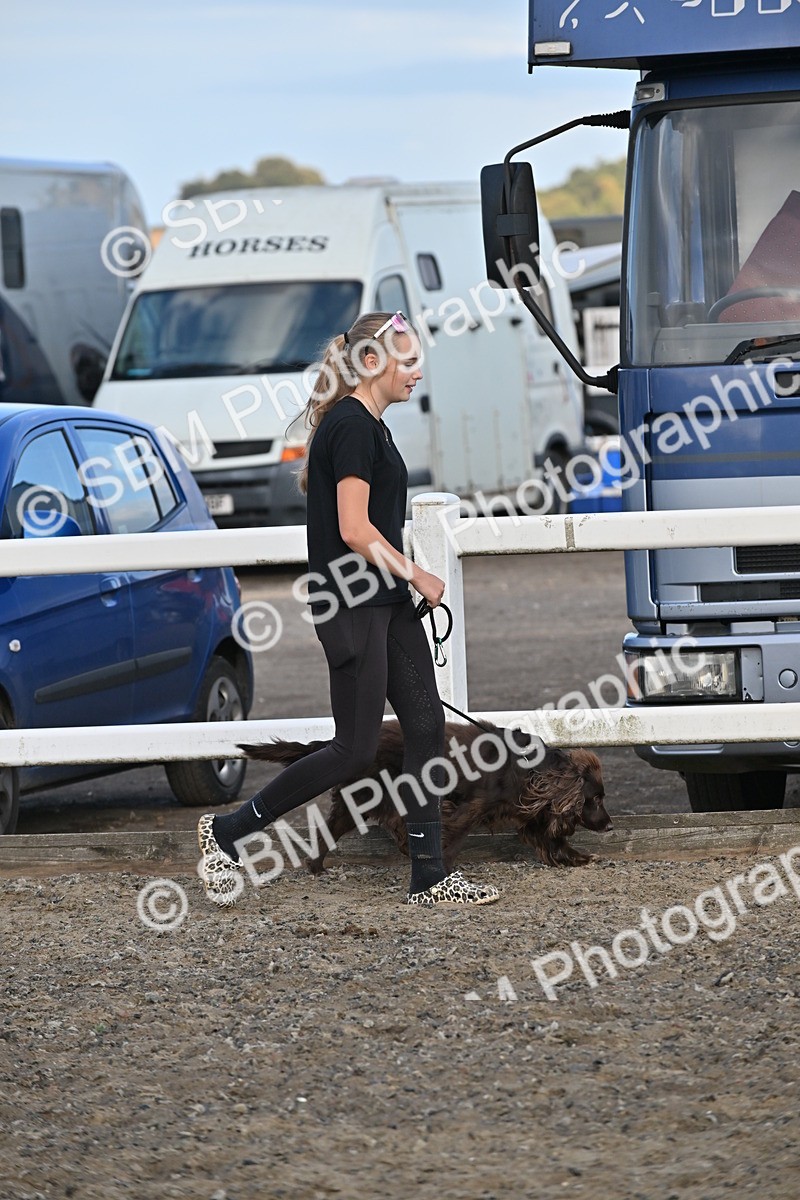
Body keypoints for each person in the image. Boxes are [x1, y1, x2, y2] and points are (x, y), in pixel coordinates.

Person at [197, 311, 499, 908]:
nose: (417, 372)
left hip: (387, 604)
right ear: (370, 363)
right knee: (354, 750)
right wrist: (419, 573)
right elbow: (355, 529)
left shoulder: (373, 426)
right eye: (407, 361)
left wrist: (405, 584)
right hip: (355, 607)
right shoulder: (352, 427)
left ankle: (430, 876)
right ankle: (226, 832)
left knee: (426, 728)